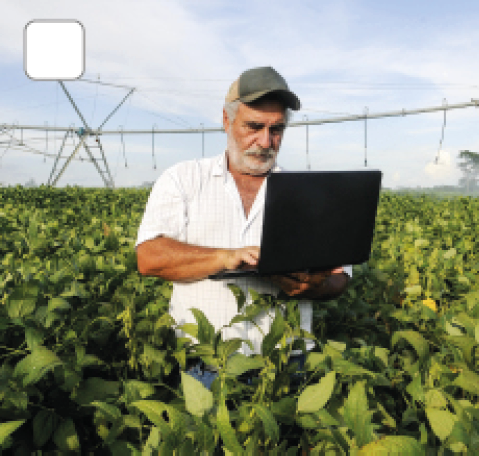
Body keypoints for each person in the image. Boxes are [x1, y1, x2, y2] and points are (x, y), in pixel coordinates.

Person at [135, 66, 352, 389]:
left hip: (285, 364)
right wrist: (227, 257)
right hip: (207, 365)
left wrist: (315, 287)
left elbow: (341, 275)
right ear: (226, 120)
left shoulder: (308, 192)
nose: (265, 141)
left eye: (276, 129)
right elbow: (150, 258)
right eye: (254, 126)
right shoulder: (183, 179)